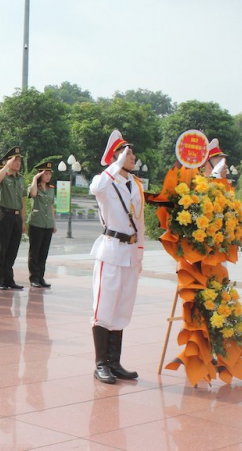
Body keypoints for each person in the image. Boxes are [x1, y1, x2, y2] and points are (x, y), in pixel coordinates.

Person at [89, 130, 144, 384]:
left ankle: (114, 362)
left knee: (122, 307)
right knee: (104, 307)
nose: (132, 157)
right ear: (117, 157)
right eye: (127, 153)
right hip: (111, 250)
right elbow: (95, 187)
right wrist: (115, 164)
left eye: (131, 152)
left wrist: (140, 253)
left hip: (130, 252)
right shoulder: (106, 181)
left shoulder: (136, 184)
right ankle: (100, 363)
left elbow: (140, 223)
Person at [0, 146, 26, 290]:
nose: (18, 163)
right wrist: (6, 165)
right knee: (2, 248)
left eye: (19, 160)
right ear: (7, 161)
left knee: (13, 249)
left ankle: (8, 278)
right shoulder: (3, 175)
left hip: (16, 216)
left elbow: (22, 201)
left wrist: (23, 221)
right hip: (4, 214)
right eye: (15, 160)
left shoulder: (20, 179)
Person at [27, 158, 57, 288]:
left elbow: (51, 206)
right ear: (40, 174)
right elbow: (33, 194)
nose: (48, 176)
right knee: (35, 251)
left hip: (47, 224)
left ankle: (41, 277)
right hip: (36, 223)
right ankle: (34, 277)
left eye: (50, 174)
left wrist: (54, 223)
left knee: (43, 252)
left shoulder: (51, 189)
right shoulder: (34, 186)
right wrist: (35, 179)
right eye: (46, 173)